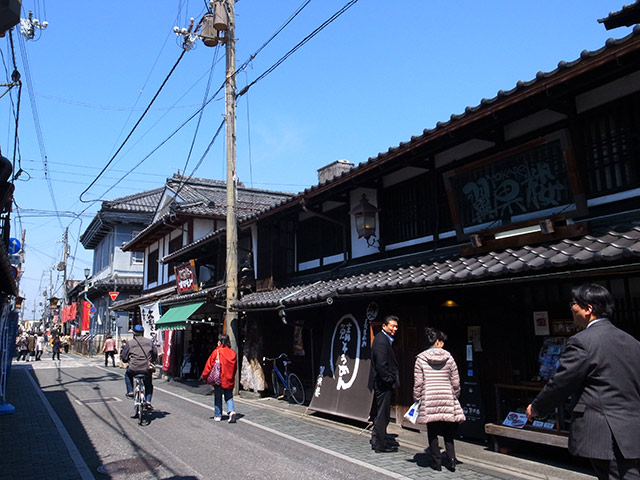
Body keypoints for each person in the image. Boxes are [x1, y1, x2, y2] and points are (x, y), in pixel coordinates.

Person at [526, 284, 640, 480]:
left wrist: (536, 408)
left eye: (574, 304)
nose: (571, 308)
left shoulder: (582, 342)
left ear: (588, 309)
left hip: (605, 431)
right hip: (632, 427)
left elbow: (561, 383)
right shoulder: (632, 341)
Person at [413, 327, 465, 472]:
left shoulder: (421, 359)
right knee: (449, 430)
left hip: (429, 396)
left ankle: (436, 462)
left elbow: (418, 382)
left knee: (432, 430)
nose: (443, 344)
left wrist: (417, 397)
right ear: (437, 342)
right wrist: (455, 394)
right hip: (447, 395)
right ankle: (451, 459)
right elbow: (456, 381)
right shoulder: (449, 357)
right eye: (441, 341)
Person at [368, 315, 400, 453]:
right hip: (382, 383)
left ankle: (377, 440)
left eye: (396, 326)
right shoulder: (381, 341)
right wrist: (389, 379)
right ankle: (381, 445)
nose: (394, 329)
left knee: (380, 412)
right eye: (392, 326)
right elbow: (381, 365)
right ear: (384, 326)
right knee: (383, 414)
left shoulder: (384, 339)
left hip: (381, 382)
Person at [201, 334, 238, 423]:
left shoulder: (217, 351)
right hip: (229, 378)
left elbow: (209, 365)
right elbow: (235, 367)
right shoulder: (232, 353)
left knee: (218, 396)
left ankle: (218, 415)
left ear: (220, 341)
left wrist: (204, 376)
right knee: (229, 396)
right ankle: (231, 411)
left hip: (219, 378)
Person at [121, 324, 157, 410]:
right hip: (146, 369)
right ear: (142, 332)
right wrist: (152, 361)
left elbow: (124, 356)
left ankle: (130, 391)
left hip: (133, 368)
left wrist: (126, 361)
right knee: (148, 384)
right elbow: (155, 354)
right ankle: (148, 401)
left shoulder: (130, 343)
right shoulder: (149, 342)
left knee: (127, 374)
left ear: (134, 333)